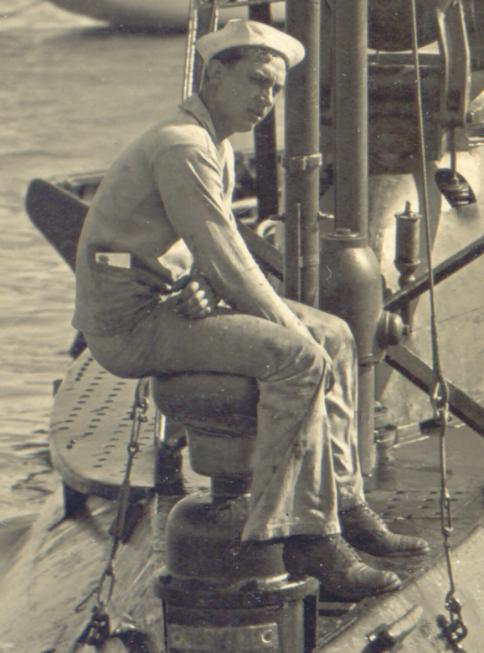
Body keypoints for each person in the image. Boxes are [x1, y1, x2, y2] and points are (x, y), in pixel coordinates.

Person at [72, 19, 429, 600]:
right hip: (128, 325)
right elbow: (230, 258)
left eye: (277, 89)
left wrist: (195, 280)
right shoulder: (183, 146)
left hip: (162, 299)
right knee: (301, 358)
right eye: (258, 83)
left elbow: (194, 247)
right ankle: (303, 535)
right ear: (214, 75)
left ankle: (346, 501)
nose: (268, 100)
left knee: (335, 334)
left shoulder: (209, 140)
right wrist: (280, 322)